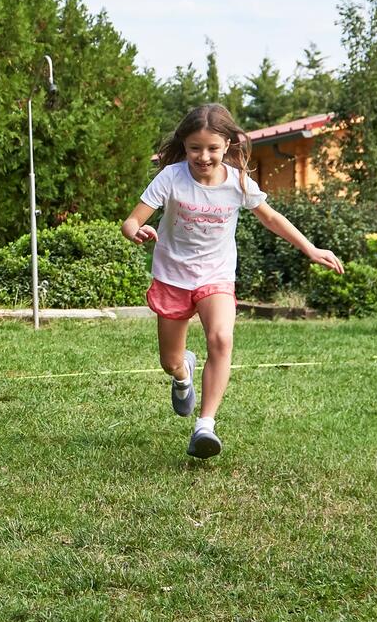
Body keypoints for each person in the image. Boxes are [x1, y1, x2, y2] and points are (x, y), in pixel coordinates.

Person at [121, 103, 343, 459]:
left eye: (212, 148)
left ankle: (205, 425)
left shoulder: (238, 181)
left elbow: (271, 218)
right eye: (195, 148)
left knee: (222, 337)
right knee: (169, 361)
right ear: (185, 146)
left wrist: (310, 247)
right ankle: (183, 374)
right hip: (173, 276)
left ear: (227, 145)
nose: (203, 156)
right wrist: (137, 231)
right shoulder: (171, 178)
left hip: (216, 275)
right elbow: (131, 221)